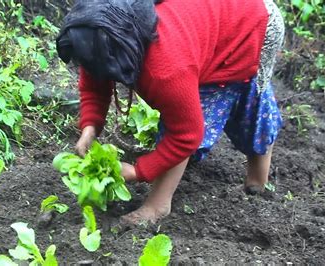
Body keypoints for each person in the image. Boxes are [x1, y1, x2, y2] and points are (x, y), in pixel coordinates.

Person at [56, 0, 285, 225]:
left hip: (254, 25)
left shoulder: (164, 71)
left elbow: (185, 135)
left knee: (240, 104)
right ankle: (253, 179)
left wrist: (138, 171)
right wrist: (89, 128)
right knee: (211, 106)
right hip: (218, 19)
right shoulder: (106, 32)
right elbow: (95, 81)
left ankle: (159, 205)